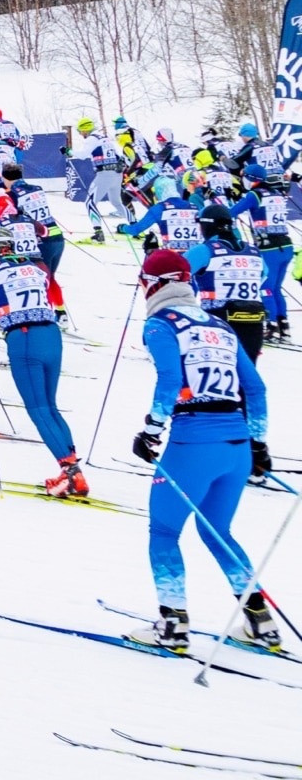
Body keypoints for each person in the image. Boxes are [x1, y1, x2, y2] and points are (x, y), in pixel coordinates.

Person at [132, 247, 278, 651]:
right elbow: (256, 388)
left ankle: (172, 625)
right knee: (218, 532)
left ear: (156, 285)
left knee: (163, 532)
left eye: (144, 282)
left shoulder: (161, 325)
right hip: (237, 446)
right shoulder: (220, 325)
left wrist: (150, 429)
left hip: (193, 441)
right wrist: (260, 442)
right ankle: (260, 621)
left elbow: (168, 379)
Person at [0, 219, 83, 497]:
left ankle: (70, 472)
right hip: (51, 335)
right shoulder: (35, 266)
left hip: (23, 338)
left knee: (38, 410)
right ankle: (70, 465)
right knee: (51, 407)